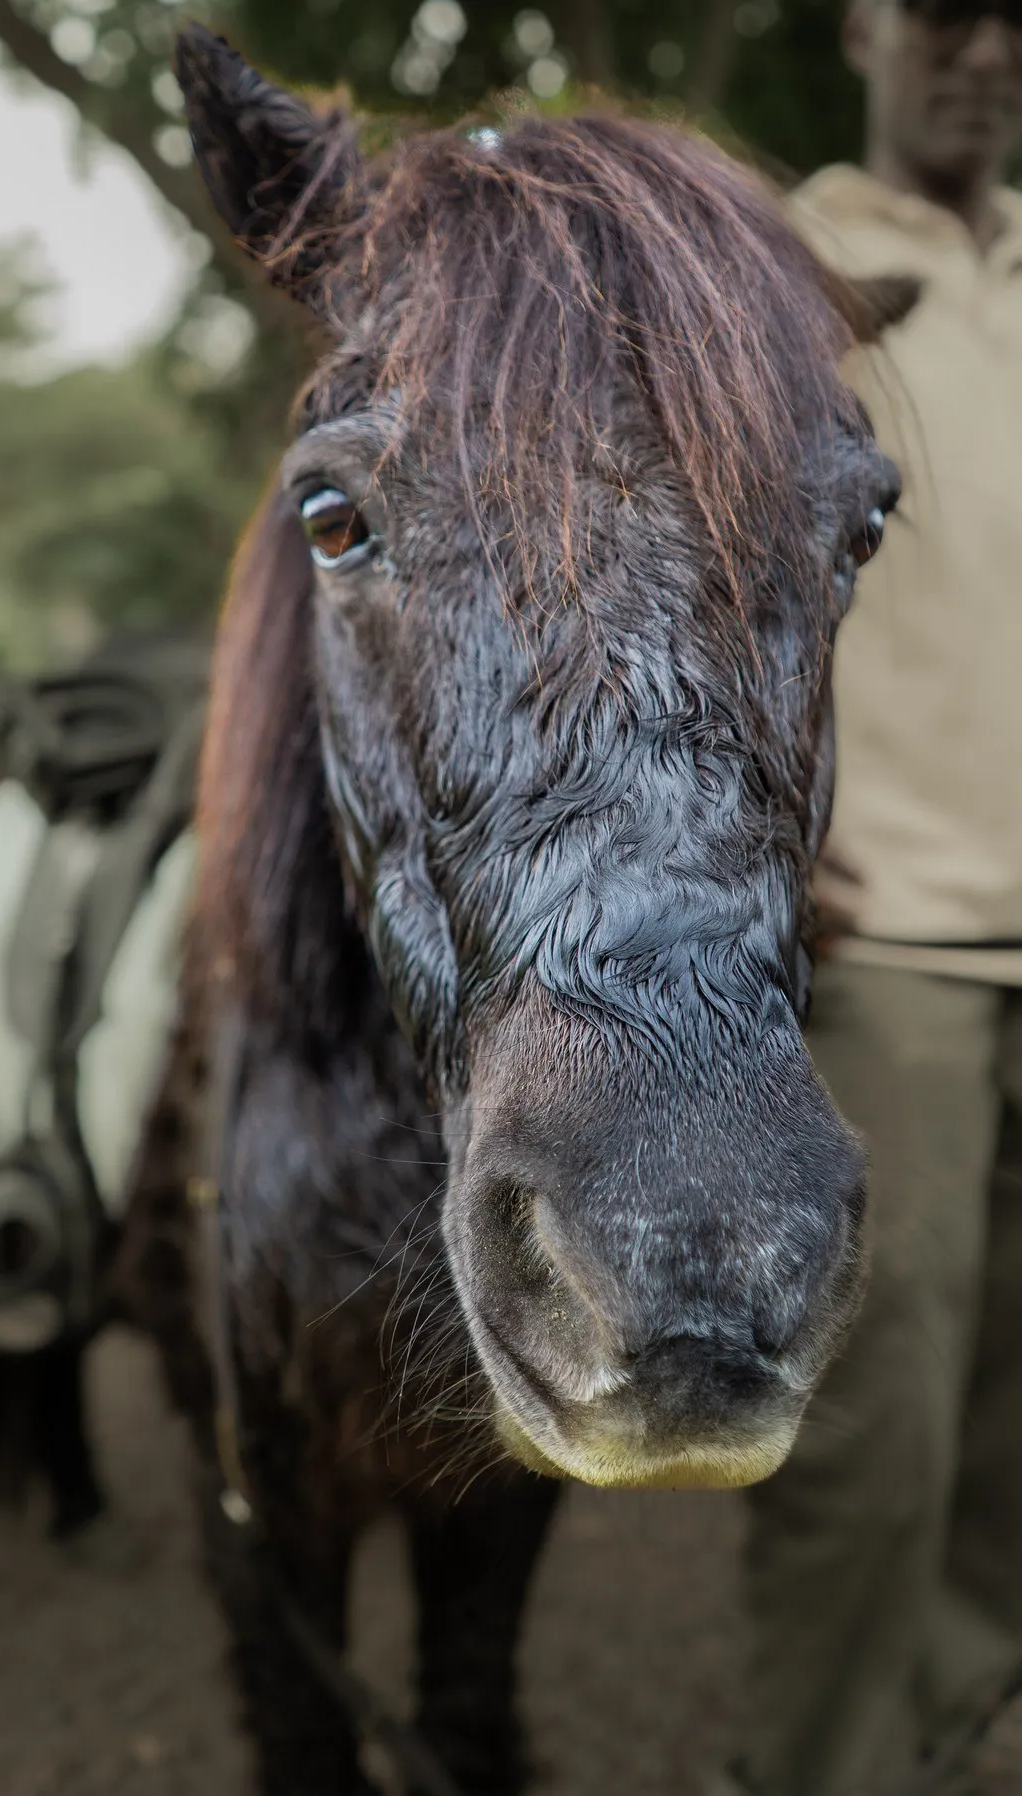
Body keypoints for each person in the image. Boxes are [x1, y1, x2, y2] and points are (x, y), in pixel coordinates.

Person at [712, 4, 1022, 1794]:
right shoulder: (777, 264)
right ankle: (820, 1768)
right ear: (861, 30)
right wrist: (763, 816)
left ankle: (948, 1728)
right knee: (878, 1441)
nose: (979, 54)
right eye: (940, 13)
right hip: (891, 938)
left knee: (1014, 1442)